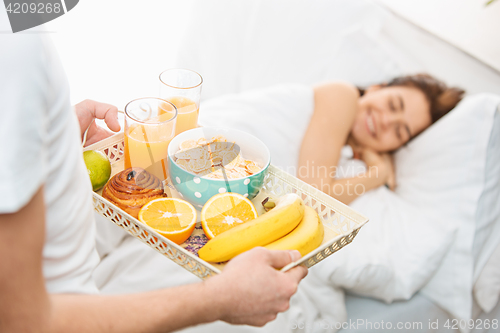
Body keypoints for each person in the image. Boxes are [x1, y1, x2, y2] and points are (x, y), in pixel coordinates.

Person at [0, 22, 307, 333]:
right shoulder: (17, 48)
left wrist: (51, 135)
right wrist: (219, 298)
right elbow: (23, 323)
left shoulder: (19, 35)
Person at [298, 74, 464, 204]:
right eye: (392, 104)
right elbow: (311, 201)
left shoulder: (351, 157)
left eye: (399, 131)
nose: (386, 121)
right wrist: (378, 174)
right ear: (376, 88)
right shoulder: (344, 94)